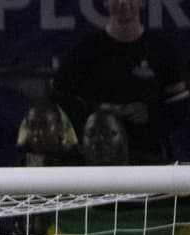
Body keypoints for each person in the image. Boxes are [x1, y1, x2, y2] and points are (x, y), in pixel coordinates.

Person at [51, 0, 188, 164]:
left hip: (150, 152)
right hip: (95, 156)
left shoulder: (161, 49)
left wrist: (150, 113)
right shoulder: (87, 49)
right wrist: (97, 111)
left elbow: (179, 103)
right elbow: (59, 97)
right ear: (106, 3)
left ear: (142, 3)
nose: (123, 4)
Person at [15, 98, 80, 167]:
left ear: (60, 129)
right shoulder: (17, 167)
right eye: (32, 126)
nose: (38, 133)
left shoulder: (76, 165)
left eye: (44, 126)